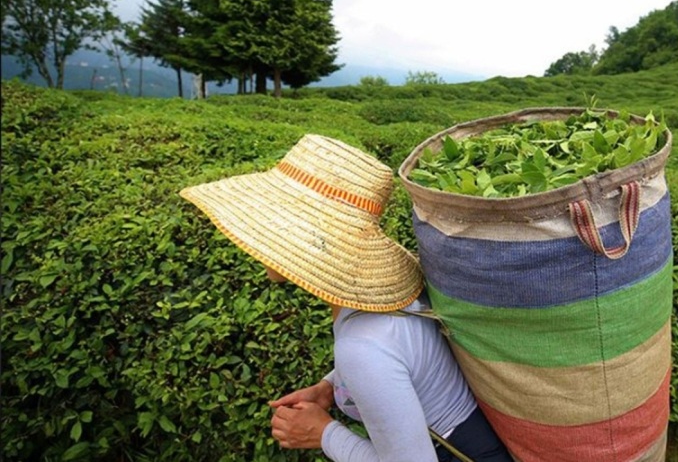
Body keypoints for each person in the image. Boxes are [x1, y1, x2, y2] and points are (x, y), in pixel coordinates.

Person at [179, 134, 512, 462]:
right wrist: (330, 388)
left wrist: (323, 434)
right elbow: (404, 361)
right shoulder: (375, 301)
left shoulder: (362, 347)